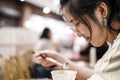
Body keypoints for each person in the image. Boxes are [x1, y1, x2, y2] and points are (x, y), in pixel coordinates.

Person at [34, 0, 120, 80]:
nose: (78, 34)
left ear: (101, 11)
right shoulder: (113, 45)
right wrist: (59, 59)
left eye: (77, 23)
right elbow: (98, 75)